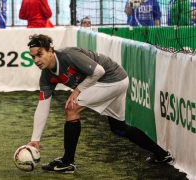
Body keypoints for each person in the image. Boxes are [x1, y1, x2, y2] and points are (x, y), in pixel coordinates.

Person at [26, 34, 175, 173]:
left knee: (71, 108)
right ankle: (162, 154)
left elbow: (99, 71)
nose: (36, 60)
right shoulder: (46, 76)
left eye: (40, 54)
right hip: (117, 80)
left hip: (112, 79)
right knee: (119, 128)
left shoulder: (68, 55)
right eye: (33, 57)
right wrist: (35, 140)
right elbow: (43, 105)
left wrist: (77, 90)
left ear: (50, 51)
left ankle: (67, 162)